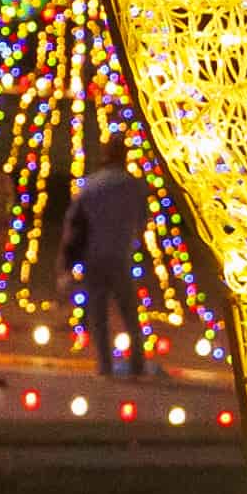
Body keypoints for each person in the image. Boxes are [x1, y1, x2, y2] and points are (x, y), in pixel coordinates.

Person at [55, 159, 153, 379]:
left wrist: (66, 255)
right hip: (120, 254)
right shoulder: (134, 185)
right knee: (129, 311)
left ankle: (105, 365)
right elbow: (142, 220)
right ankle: (137, 363)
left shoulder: (91, 184)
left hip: (94, 254)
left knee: (98, 312)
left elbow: (73, 220)